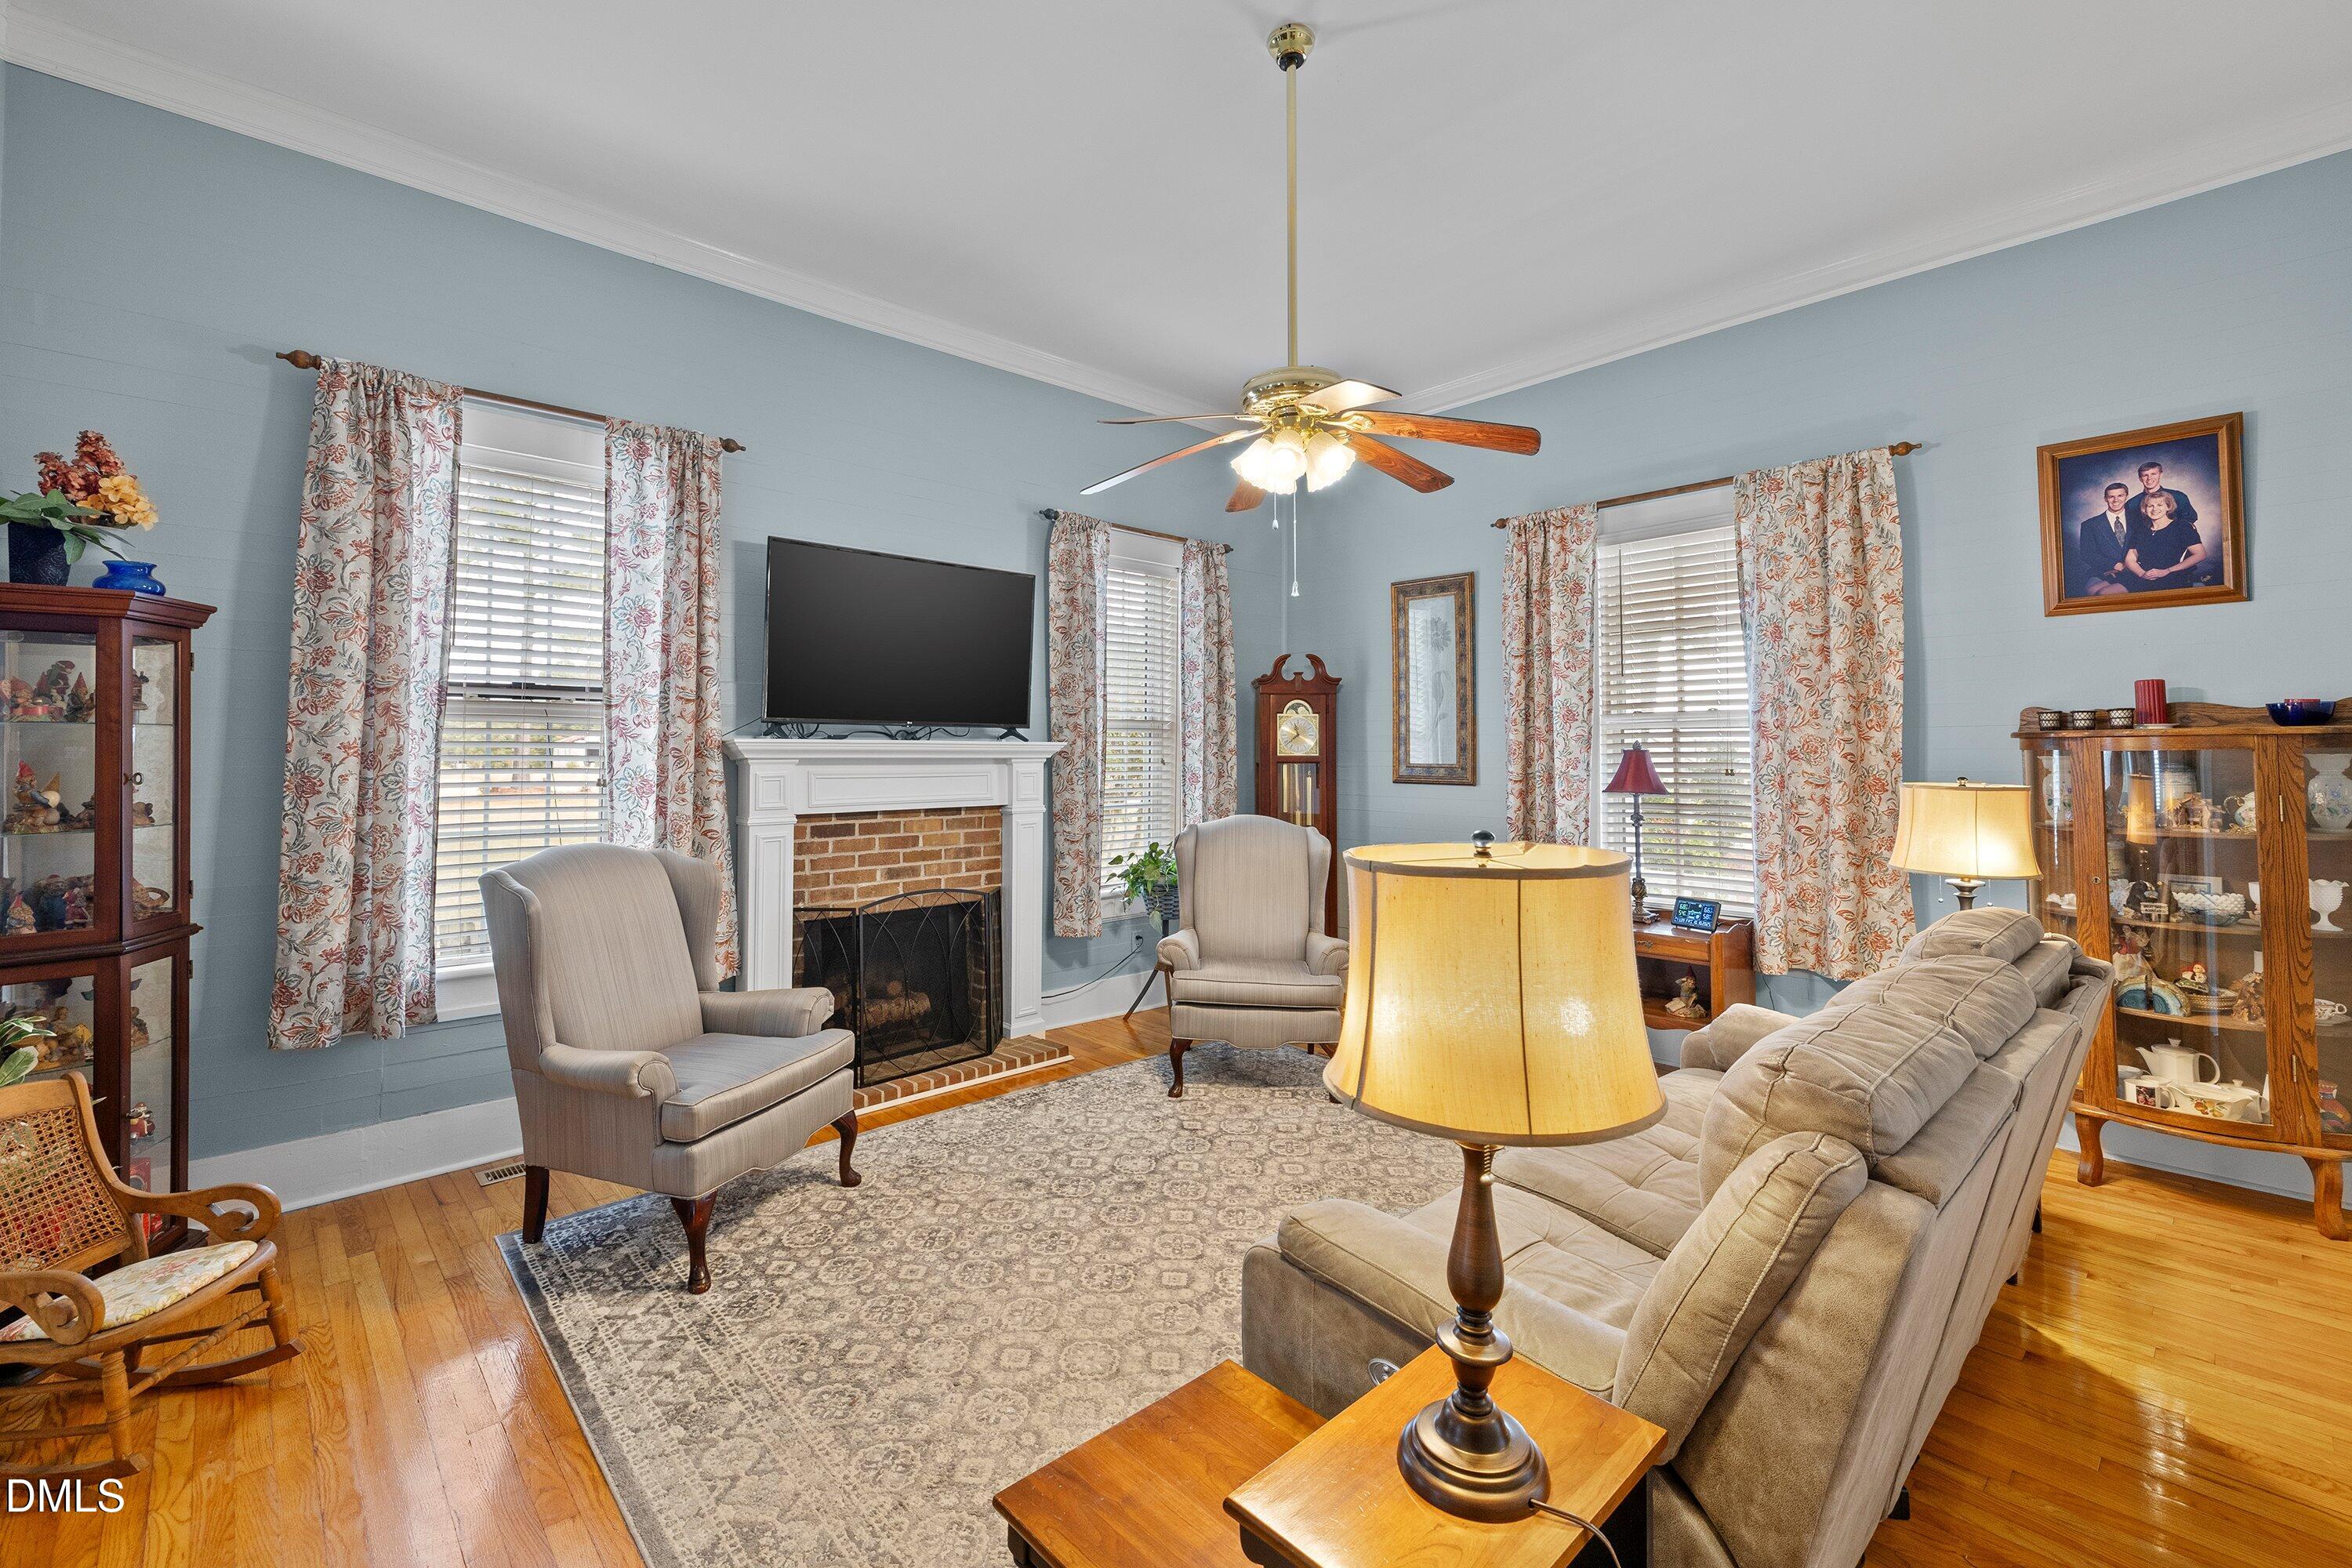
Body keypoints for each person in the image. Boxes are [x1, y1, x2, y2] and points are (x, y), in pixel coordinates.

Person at [2122, 488, 2208, 587]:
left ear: (2168, 507)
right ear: (2145, 510)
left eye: (2159, 505)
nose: (2154, 509)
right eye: (2150, 506)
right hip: (2141, 576)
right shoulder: (2141, 530)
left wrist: (2167, 571)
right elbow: (2130, 558)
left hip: (2171, 577)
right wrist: (2143, 574)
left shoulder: (2182, 526)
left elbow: (2200, 554)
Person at [2071, 481, 2134, 597]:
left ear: (2127, 497)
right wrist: (2114, 565)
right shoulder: (2090, 525)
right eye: (2111, 497)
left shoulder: (2138, 520)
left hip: (2134, 570)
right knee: (2091, 592)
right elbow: (2087, 554)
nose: (2116, 500)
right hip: (2104, 571)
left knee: (2106, 593)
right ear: (2105, 499)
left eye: (2120, 495)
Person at [2126, 459, 2198, 532]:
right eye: (2145, 475)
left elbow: (2189, 519)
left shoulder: (2178, 497)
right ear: (2140, 479)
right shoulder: (2132, 504)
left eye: (2153, 474)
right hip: (2145, 538)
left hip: (2174, 536)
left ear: (2161, 474)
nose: (2149, 478)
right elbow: (2131, 529)